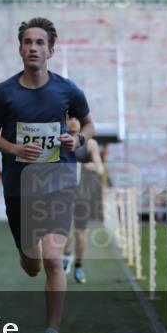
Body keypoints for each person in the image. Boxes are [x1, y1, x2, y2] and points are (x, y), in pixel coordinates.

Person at [0, 17, 94, 333]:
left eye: (40, 43)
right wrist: (16, 148)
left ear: (51, 50)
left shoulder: (67, 89)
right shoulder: (4, 92)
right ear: (20, 49)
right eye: (28, 42)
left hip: (59, 180)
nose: (33, 48)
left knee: (52, 257)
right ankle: (28, 255)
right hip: (19, 188)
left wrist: (76, 139)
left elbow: (88, 125)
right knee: (31, 265)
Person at [62, 116, 104, 284]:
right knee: (64, 229)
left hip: (83, 195)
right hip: (63, 193)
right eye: (69, 118)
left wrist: (93, 166)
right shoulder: (59, 140)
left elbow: (101, 168)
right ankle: (66, 256)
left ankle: (79, 265)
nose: (73, 121)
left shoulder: (90, 144)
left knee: (81, 232)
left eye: (76, 118)